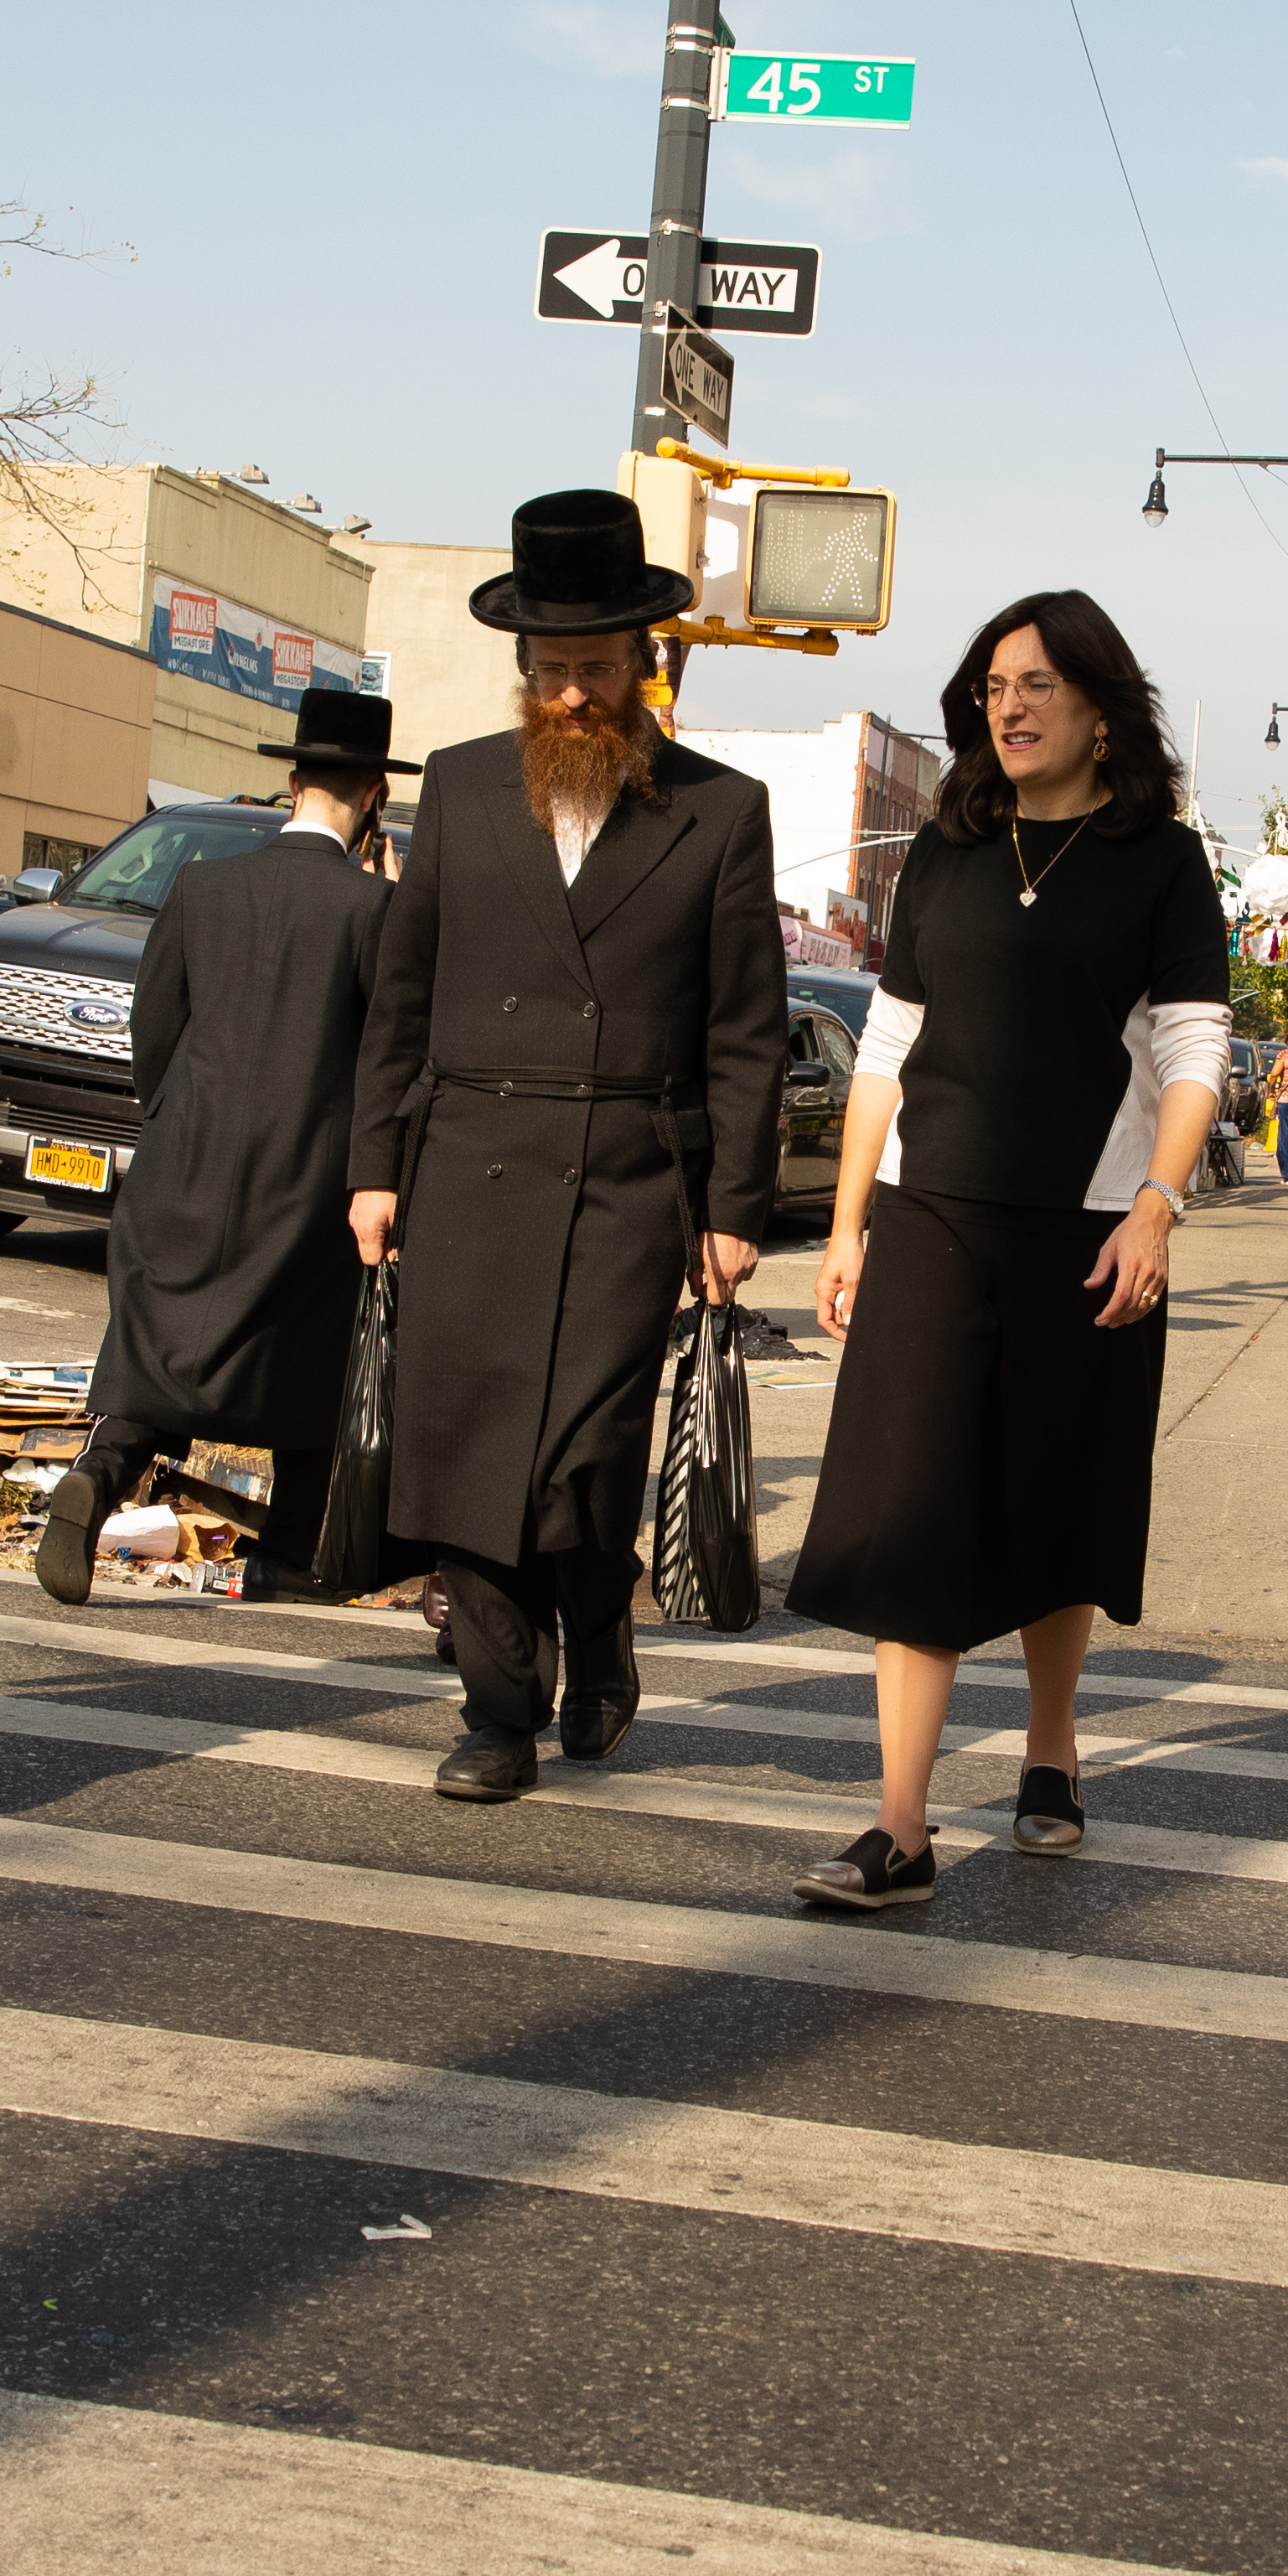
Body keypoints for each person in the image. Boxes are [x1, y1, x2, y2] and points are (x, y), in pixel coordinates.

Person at [782, 593, 1233, 1909]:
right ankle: (902, 1827)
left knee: (1055, 1501)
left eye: (1038, 683)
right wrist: (850, 1226)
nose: (1013, 706)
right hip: (931, 1220)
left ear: (1101, 704)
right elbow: (885, 1050)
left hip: (1091, 1230)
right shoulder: (946, 853)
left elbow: (1195, 1049)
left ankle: (1049, 1747)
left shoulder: (1159, 860)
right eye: (992, 687)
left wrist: (1158, 1205)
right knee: (914, 1508)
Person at [342, 490, 789, 1802]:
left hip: (632, 1177)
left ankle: (597, 1637)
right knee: (470, 1444)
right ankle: (498, 1710)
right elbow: (400, 994)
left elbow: (749, 1030)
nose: (576, 696)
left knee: (581, 1454)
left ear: (646, 665)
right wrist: (373, 1166)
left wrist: (735, 1205)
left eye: (597, 670)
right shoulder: (465, 784)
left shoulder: (721, 809)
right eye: (553, 672)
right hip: (466, 1155)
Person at [49, 679, 410, 1609]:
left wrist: (177, 1117)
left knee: (155, 1338)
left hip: (187, 1157)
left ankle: (101, 1470)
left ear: (293, 783)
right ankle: (287, 1554)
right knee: (311, 1360)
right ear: (373, 796)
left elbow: (153, 1028)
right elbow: (386, 1062)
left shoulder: (203, 885)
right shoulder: (375, 915)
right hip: (311, 1175)